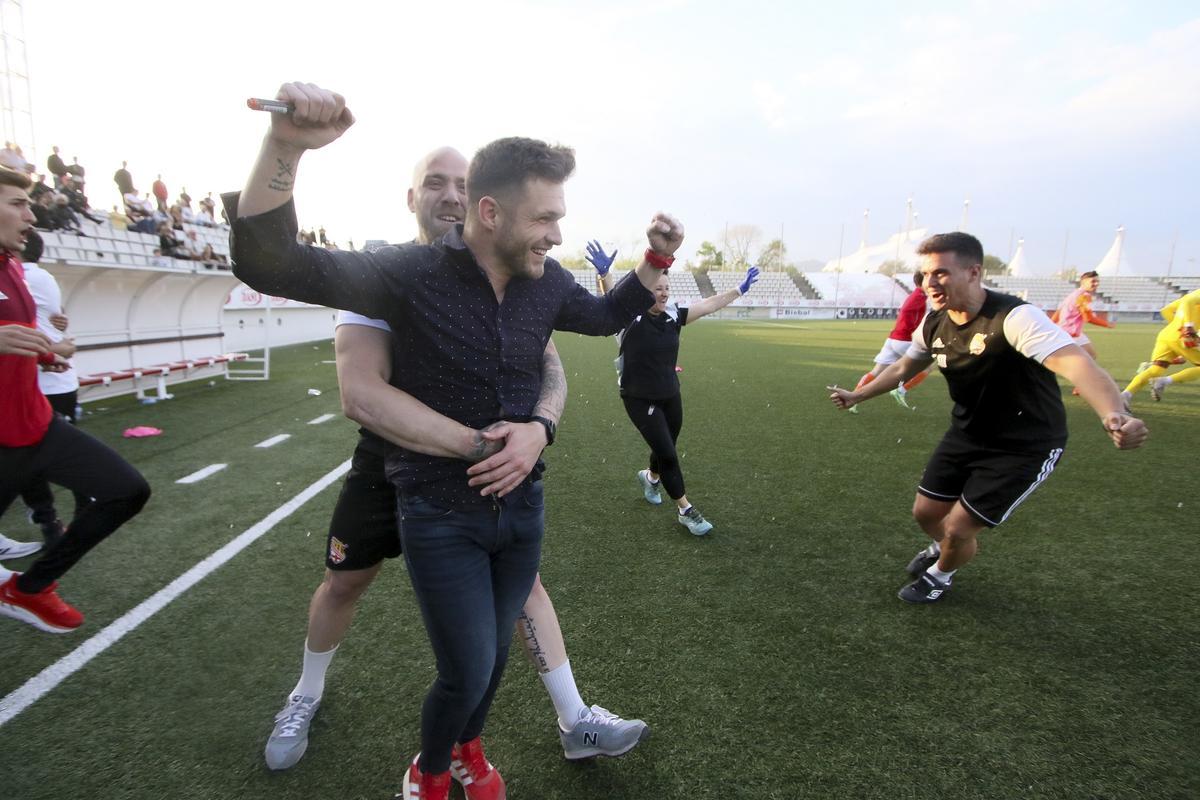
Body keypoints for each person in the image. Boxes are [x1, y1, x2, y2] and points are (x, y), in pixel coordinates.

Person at [227, 81, 677, 800]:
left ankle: (505, 736)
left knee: (493, 653)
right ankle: (392, 749)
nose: (558, 234)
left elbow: (597, 317)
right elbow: (275, 270)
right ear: (483, 212)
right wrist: (287, 148)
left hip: (518, 503)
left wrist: (654, 263)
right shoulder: (403, 274)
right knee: (413, 629)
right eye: (546, 218)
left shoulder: (541, 278)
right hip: (424, 491)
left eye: (459, 182)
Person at [828, 232, 1147, 604]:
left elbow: (1077, 365)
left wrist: (1113, 413)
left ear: (974, 272)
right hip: (967, 433)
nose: (930, 283)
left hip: (1025, 445)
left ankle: (941, 574)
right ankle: (942, 548)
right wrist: (858, 395)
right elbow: (904, 365)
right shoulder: (934, 323)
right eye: (926, 274)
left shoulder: (1014, 318)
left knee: (960, 528)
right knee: (926, 513)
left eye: (941, 273)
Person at [0, 167, 151, 633]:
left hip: (37, 426)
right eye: (17, 204)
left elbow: (17, 335)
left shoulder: (13, 266)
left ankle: (27, 589)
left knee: (126, 490)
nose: (32, 213)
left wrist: (44, 355)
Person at [619, 264, 760, 536]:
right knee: (669, 454)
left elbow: (708, 305)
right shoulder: (629, 318)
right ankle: (686, 511)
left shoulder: (673, 314)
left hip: (671, 394)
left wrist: (739, 290)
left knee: (667, 446)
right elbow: (613, 301)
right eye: (656, 288)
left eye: (666, 288)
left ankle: (650, 478)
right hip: (639, 398)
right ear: (643, 291)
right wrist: (604, 277)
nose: (663, 294)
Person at [18, 230, 87, 546]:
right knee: (31, 458)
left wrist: (54, 349)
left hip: (47, 379)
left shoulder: (24, 276)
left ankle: (54, 519)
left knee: (37, 459)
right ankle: (54, 517)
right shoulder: (34, 277)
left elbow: (44, 323)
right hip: (48, 377)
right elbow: (52, 320)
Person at [851, 271, 932, 411]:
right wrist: (915, 332)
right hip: (904, 340)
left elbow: (906, 312)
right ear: (923, 281)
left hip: (893, 338)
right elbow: (909, 314)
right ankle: (901, 390)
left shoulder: (915, 295)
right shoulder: (920, 296)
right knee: (928, 366)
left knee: (876, 372)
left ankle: (852, 400)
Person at [1122, 288, 1200, 403]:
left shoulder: (1194, 294)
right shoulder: (1195, 296)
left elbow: (1166, 310)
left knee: (1156, 369)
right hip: (1182, 336)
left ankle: (1125, 395)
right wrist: (1187, 326)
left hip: (1166, 335)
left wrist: (1176, 326)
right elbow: (1188, 301)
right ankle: (1163, 381)